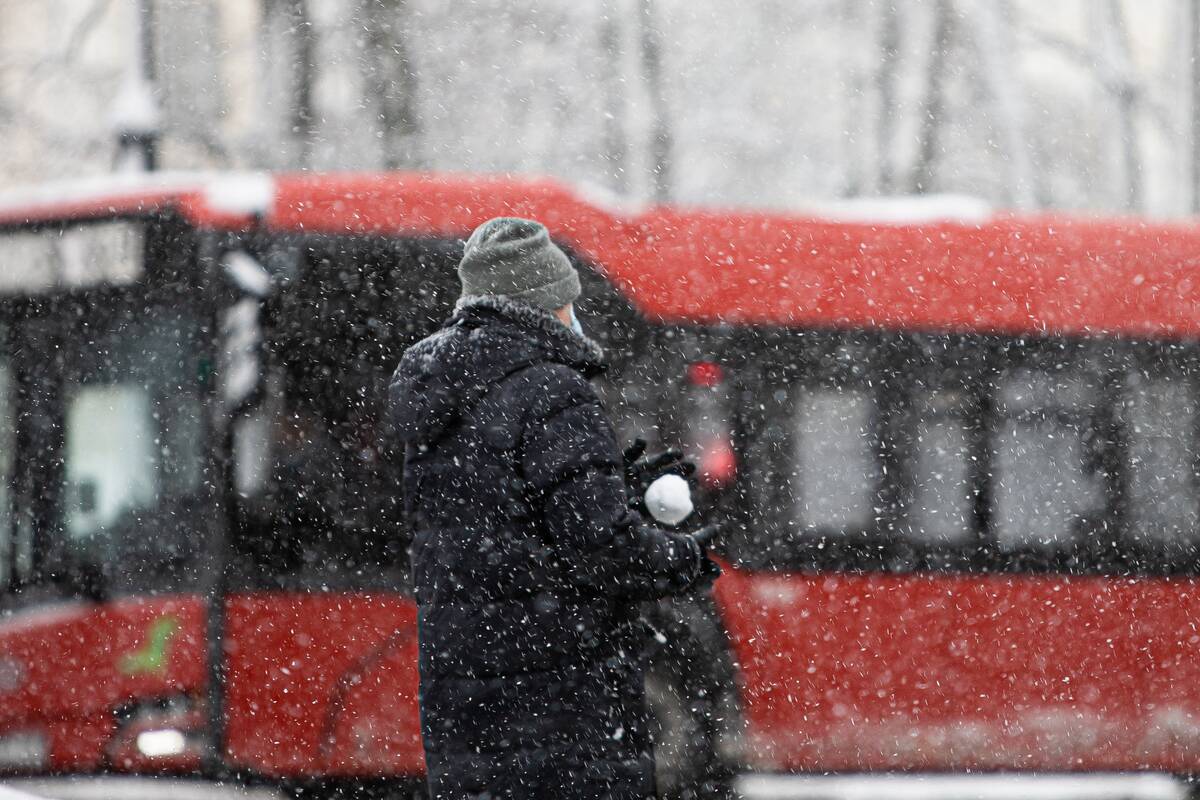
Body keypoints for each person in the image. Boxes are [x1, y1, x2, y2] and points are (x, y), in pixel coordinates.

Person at [390, 217, 720, 799]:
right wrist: (683, 558)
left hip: (467, 701)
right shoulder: (552, 389)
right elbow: (599, 548)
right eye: (570, 300)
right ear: (548, 303)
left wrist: (614, 486)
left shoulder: (437, 392)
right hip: (562, 706)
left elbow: (504, 518)